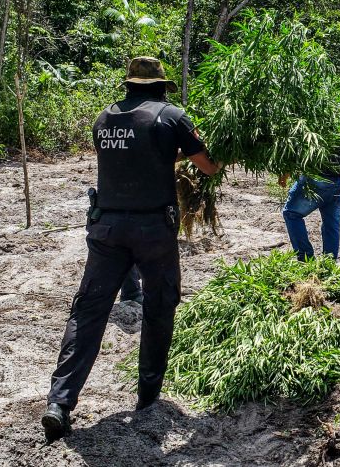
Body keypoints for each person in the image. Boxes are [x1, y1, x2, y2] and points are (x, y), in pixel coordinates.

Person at [41, 57, 222, 442]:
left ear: (128, 86)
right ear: (158, 86)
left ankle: (59, 403)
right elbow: (207, 166)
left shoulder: (103, 120)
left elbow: (135, 158)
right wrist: (228, 148)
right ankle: (147, 398)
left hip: (106, 228)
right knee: (159, 306)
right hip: (152, 229)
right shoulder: (172, 116)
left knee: (88, 311)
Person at [280, 146, 340, 261]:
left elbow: (303, 145)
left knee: (291, 213)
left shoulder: (322, 127)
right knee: (331, 222)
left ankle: (306, 258)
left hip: (319, 176)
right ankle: (329, 263)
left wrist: (286, 171)